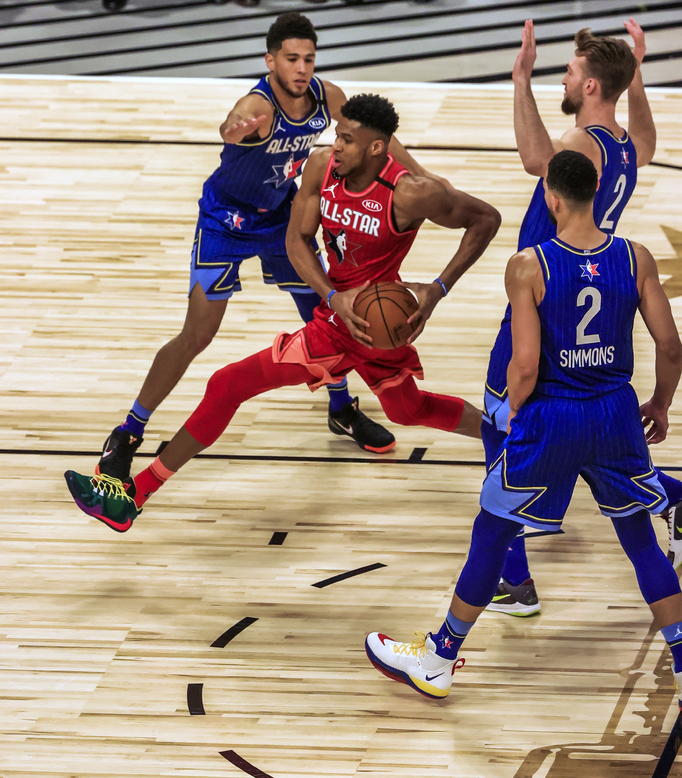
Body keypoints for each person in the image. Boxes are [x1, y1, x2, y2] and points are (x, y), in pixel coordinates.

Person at [63, 93, 501, 532]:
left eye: (348, 140)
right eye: (337, 134)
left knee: (227, 384)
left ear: (376, 147)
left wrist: (438, 288)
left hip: (369, 326)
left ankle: (134, 496)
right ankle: (510, 439)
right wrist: (332, 296)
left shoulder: (411, 192)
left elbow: (485, 218)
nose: (336, 145)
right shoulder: (321, 167)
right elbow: (296, 241)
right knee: (408, 409)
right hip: (346, 316)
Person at [365, 150, 682, 702]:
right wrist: (659, 402)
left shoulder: (529, 264)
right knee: (639, 539)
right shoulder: (636, 257)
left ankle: (439, 658)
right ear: (596, 193)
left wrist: (513, 410)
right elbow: (671, 345)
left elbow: (526, 363)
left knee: (492, 532)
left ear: (551, 198)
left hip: (552, 416)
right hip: (614, 412)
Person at [96, 12, 436, 485]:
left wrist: (421, 176)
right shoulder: (259, 104)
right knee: (197, 334)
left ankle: (341, 408)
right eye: (291, 59)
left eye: (309, 59)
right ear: (270, 60)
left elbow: (379, 139)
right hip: (225, 221)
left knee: (327, 313)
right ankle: (129, 431)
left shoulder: (327, 96)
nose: (302, 68)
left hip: (279, 217)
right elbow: (233, 122)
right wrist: (233, 129)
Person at [483, 18, 682, 618]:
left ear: (592, 86)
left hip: (546, 289)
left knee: (504, 428)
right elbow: (647, 140)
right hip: (587, 295)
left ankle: (513, 579)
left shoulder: (578, 143)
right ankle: (673, 498)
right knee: (599, 447)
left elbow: (532, 159)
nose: (564, 80)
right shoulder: (624, 145)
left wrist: (520, 80)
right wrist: (635, 74)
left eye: (570, 72)